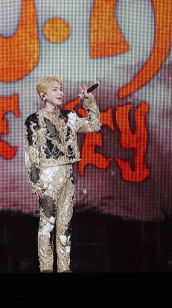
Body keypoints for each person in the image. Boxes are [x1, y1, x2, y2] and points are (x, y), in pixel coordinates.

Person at [23, 76, 101, 272]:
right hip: (48, 178)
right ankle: (46, 269)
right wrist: (36, 183)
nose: (61, 93)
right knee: (47, 226)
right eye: (55, 89)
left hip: (67, 176)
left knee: (65, 228)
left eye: (61, 89)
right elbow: (31, 153)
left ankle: (65, 269)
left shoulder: (69, 117)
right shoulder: (34, 120)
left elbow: (94, 125)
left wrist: (89, 101)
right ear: (43, 95)